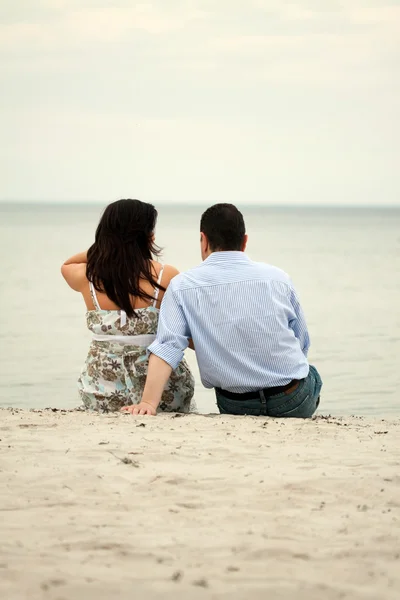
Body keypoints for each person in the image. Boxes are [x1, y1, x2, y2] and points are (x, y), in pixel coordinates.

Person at [123, 203, 322, 417]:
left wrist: (148, 403)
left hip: (236, 404)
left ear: (203, 240)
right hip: (292, 399)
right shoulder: (278, 278)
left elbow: (167, 346)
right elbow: (301, 341)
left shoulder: (182, 285)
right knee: (310, 373)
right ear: (244, 241)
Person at [61, 198, 195, 413]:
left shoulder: (86, 276)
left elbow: (67, 264)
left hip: (101, 390)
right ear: (147, 237)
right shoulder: (166, 275)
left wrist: (106, 249)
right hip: (163, 392)